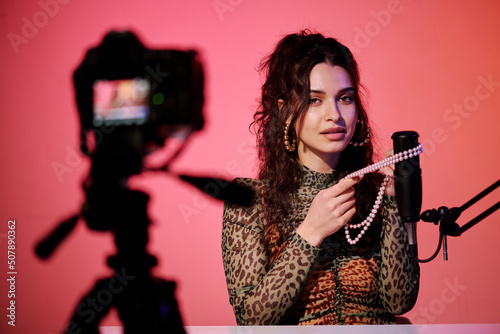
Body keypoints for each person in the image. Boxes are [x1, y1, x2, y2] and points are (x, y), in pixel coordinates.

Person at [221, 30, 420, 325]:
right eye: (315, 100)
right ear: (285, 110)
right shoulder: (249, 199)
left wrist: (391, 202)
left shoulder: (377, 191)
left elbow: (399, 301)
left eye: (346, 98)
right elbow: (251, 319)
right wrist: (310, 231)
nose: (334, 115)